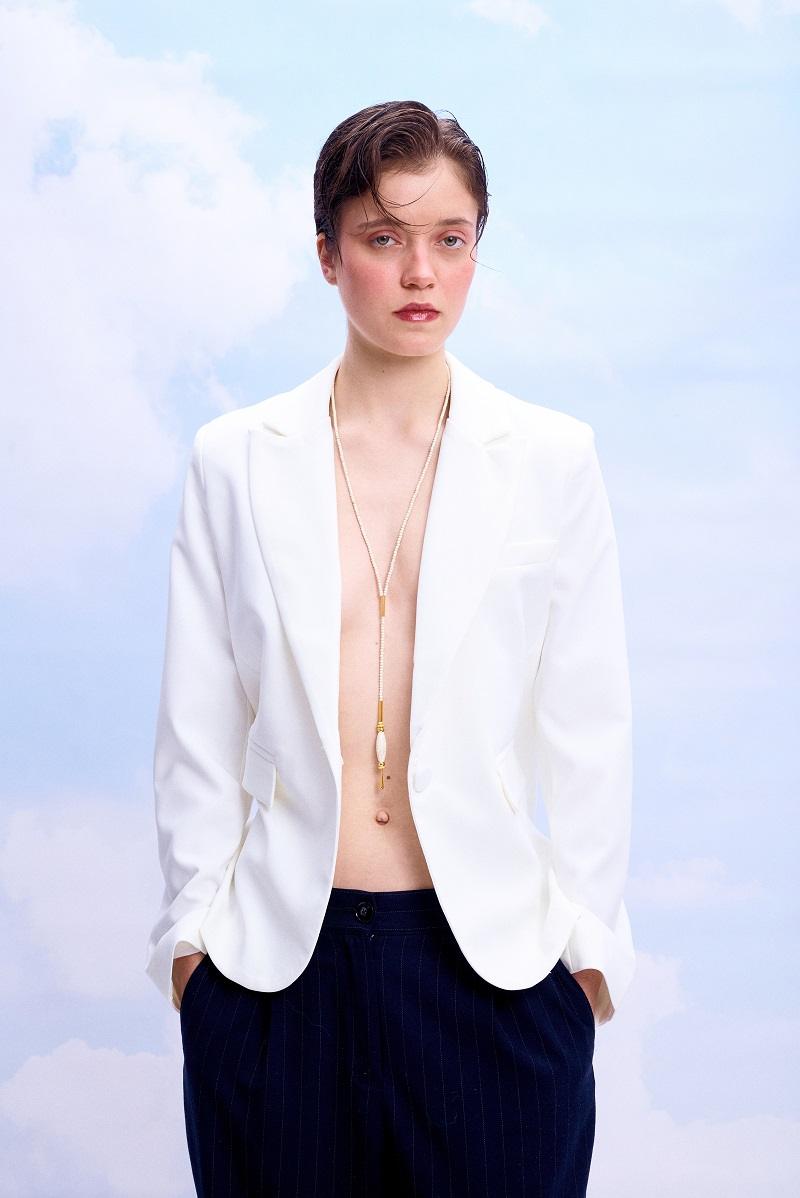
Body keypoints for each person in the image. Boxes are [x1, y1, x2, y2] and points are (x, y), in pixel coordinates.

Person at [145, 99, 636, 1198]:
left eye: (449, 239)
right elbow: (196, 726)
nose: (420, 272)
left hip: (493, 968)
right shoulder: (236, 459)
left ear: (475, 253)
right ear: (328, 255)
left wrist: (587, 960)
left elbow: (590, 726)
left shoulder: (550, 458)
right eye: (383, 238)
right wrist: (191, 952)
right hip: (278, 966)